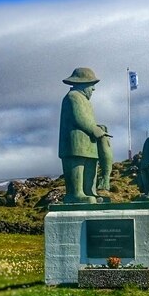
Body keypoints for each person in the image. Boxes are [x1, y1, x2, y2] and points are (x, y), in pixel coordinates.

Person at [58, 67, 111, 204]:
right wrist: (94, 129)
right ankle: (76, 194)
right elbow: (79, 118)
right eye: (91, 85)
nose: (93, 89)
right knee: (77, 165)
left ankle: (88, 192)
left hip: (88, 144)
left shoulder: (85, 100)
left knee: (89, 168)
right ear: (83, 84)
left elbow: (87, 120)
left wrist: (98, 128)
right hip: (75, 143)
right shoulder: (73, 97)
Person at [96, 124, 113, 191]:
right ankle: (103, 185)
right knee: (106, 172)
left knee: (107, 172)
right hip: (105, 155)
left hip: (107, 156)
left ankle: (105, 185)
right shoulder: (103, 137)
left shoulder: (104, 137)